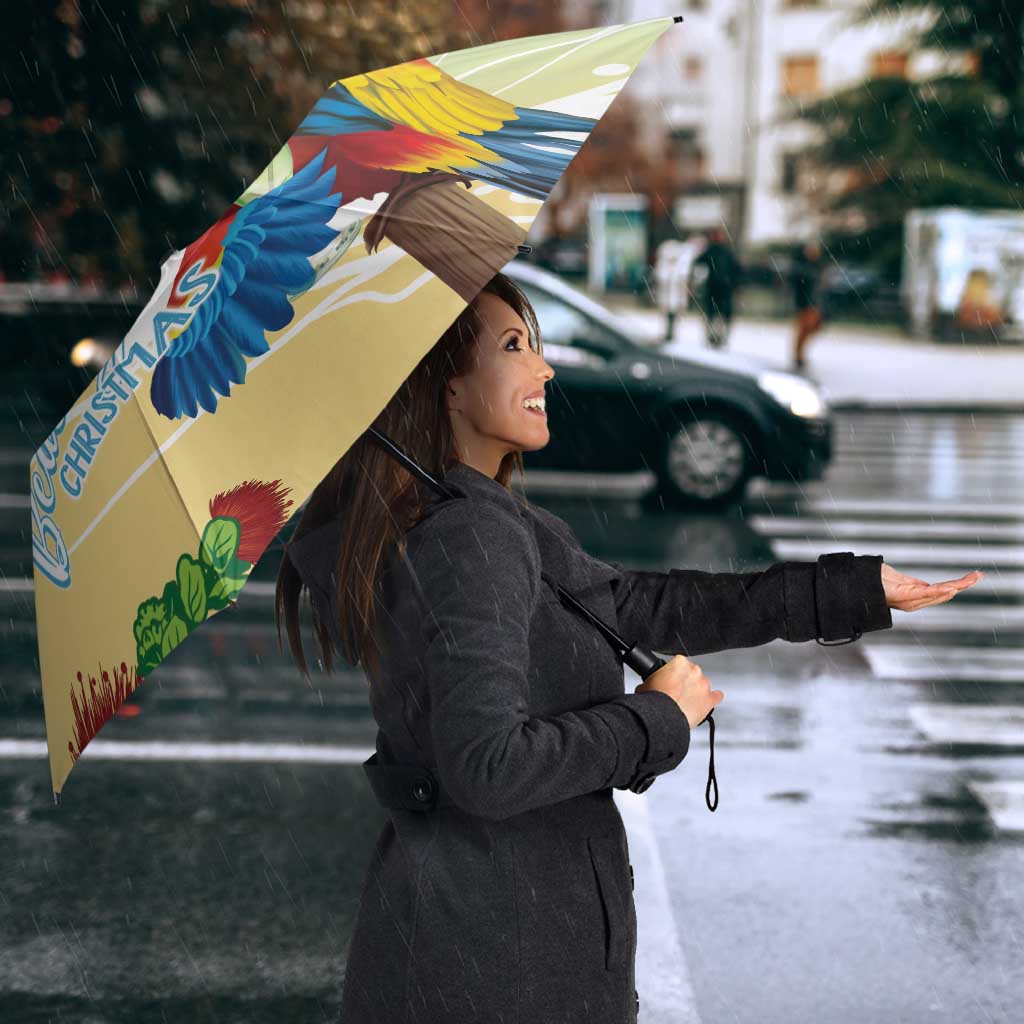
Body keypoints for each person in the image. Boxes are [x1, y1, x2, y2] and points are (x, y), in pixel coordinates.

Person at [276, 272, 982, 1024]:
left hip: (478, 944)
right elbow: (487, 767)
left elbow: (644, 606)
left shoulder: (478, 520)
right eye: (514, 346)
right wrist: (655, 719)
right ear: (445, 388)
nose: (544, 368)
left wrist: (848, 590)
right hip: (497, 963)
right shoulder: (470, 537)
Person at [692, 226, 742, 349]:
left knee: (720, 315)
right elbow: (698, 264)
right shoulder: (712, 251)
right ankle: (713, 337)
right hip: (715, 288)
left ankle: (719, 337)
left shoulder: (725, 252)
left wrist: (735, 284)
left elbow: (736, 270)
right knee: (713, 314)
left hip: (723, 288)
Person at [790, 239, 826, 370]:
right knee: (804, 329)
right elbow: (799, 286)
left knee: (812, 328)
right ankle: (798, 355)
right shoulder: (802, 267)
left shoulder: (817, 266)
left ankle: (799, 354)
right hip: (805, 303)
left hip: (814, 303)